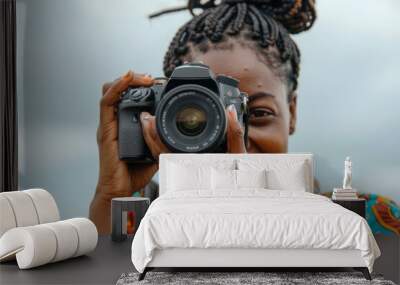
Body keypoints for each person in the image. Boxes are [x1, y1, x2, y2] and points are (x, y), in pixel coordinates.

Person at [90, 0, 317, 234]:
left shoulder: (318, 218)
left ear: (292, 112)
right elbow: (113, 267)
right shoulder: (140, 208)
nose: (233, 131)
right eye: (199, 116)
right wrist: (112, 196)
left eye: (258, 113)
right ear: (162, 111)